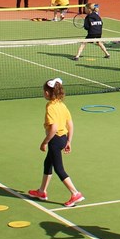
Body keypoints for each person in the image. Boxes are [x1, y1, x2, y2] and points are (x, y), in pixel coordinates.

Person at [27, 78, 85, 207]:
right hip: (63, 138)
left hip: (55, 140)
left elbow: (53, 128)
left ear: (48, 93)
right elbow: (70, 124)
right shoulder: (61, 105)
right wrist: (69, 141)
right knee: (48, 163)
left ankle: (75, 193)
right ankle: (42, 191)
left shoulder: (50, 107)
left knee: (59, 169)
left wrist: (44, 142)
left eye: (44, 91)